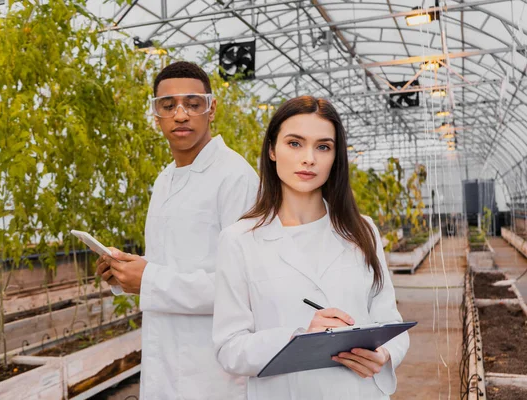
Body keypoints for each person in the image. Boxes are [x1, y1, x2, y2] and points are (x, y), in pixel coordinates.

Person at [212, 96, 409, 399]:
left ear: (335, 157)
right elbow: (229, 348)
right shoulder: (240, 239)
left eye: (323, 147)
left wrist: (383, 354)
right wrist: (300, 337)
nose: (309, 159)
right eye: (294, 143)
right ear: (272, 150)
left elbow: (391, 322)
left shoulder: (362, 230)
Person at [96, 61, 258, 399]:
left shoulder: (235, 178)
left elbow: (243, 288)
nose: (180, 114)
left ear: (212, 108)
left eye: (193, 103)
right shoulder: (165, 179)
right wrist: (126, 272)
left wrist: (149, 280)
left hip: (211, 373)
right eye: (168, 106)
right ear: (156, 115)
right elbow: (172, 263)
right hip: (163, 360)